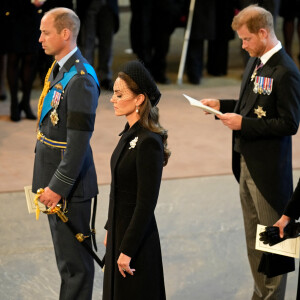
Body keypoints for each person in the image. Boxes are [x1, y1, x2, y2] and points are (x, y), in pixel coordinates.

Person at [201, 5, 300, 299]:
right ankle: (260, 294)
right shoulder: (256, 60)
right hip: (246, 164)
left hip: (269, 174)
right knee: (254, 242)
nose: (242, 46)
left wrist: (243, 124)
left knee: (275, 246)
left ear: (263, 32)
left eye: (246, 39)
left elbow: (289, 123)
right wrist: (223, 104)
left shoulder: (286, 71)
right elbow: (252, 103)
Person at [32, 7, 100, 300]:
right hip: (55, 182)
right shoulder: (60, 69)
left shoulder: (81, 78)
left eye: (45, 32)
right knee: (66, 264)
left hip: (69, 187)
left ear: (65, 34)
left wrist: (57, 188)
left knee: (77, 268)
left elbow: (77, 144)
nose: (40, 39)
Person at [102, 60, 170, 300]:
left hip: (136, 240)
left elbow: (145, 203)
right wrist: (111, 227)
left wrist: (128, 249)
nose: (112, 99)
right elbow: (117, 189)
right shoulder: (129, 133)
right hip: (120, 231)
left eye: (119, 94)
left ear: (140, 99)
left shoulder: (148, 142)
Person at [76, 0, 119, 91]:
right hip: (88, 4)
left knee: (107, 42)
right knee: (87, 43)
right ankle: (87, 77)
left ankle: (105, 77)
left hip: (108, 4)